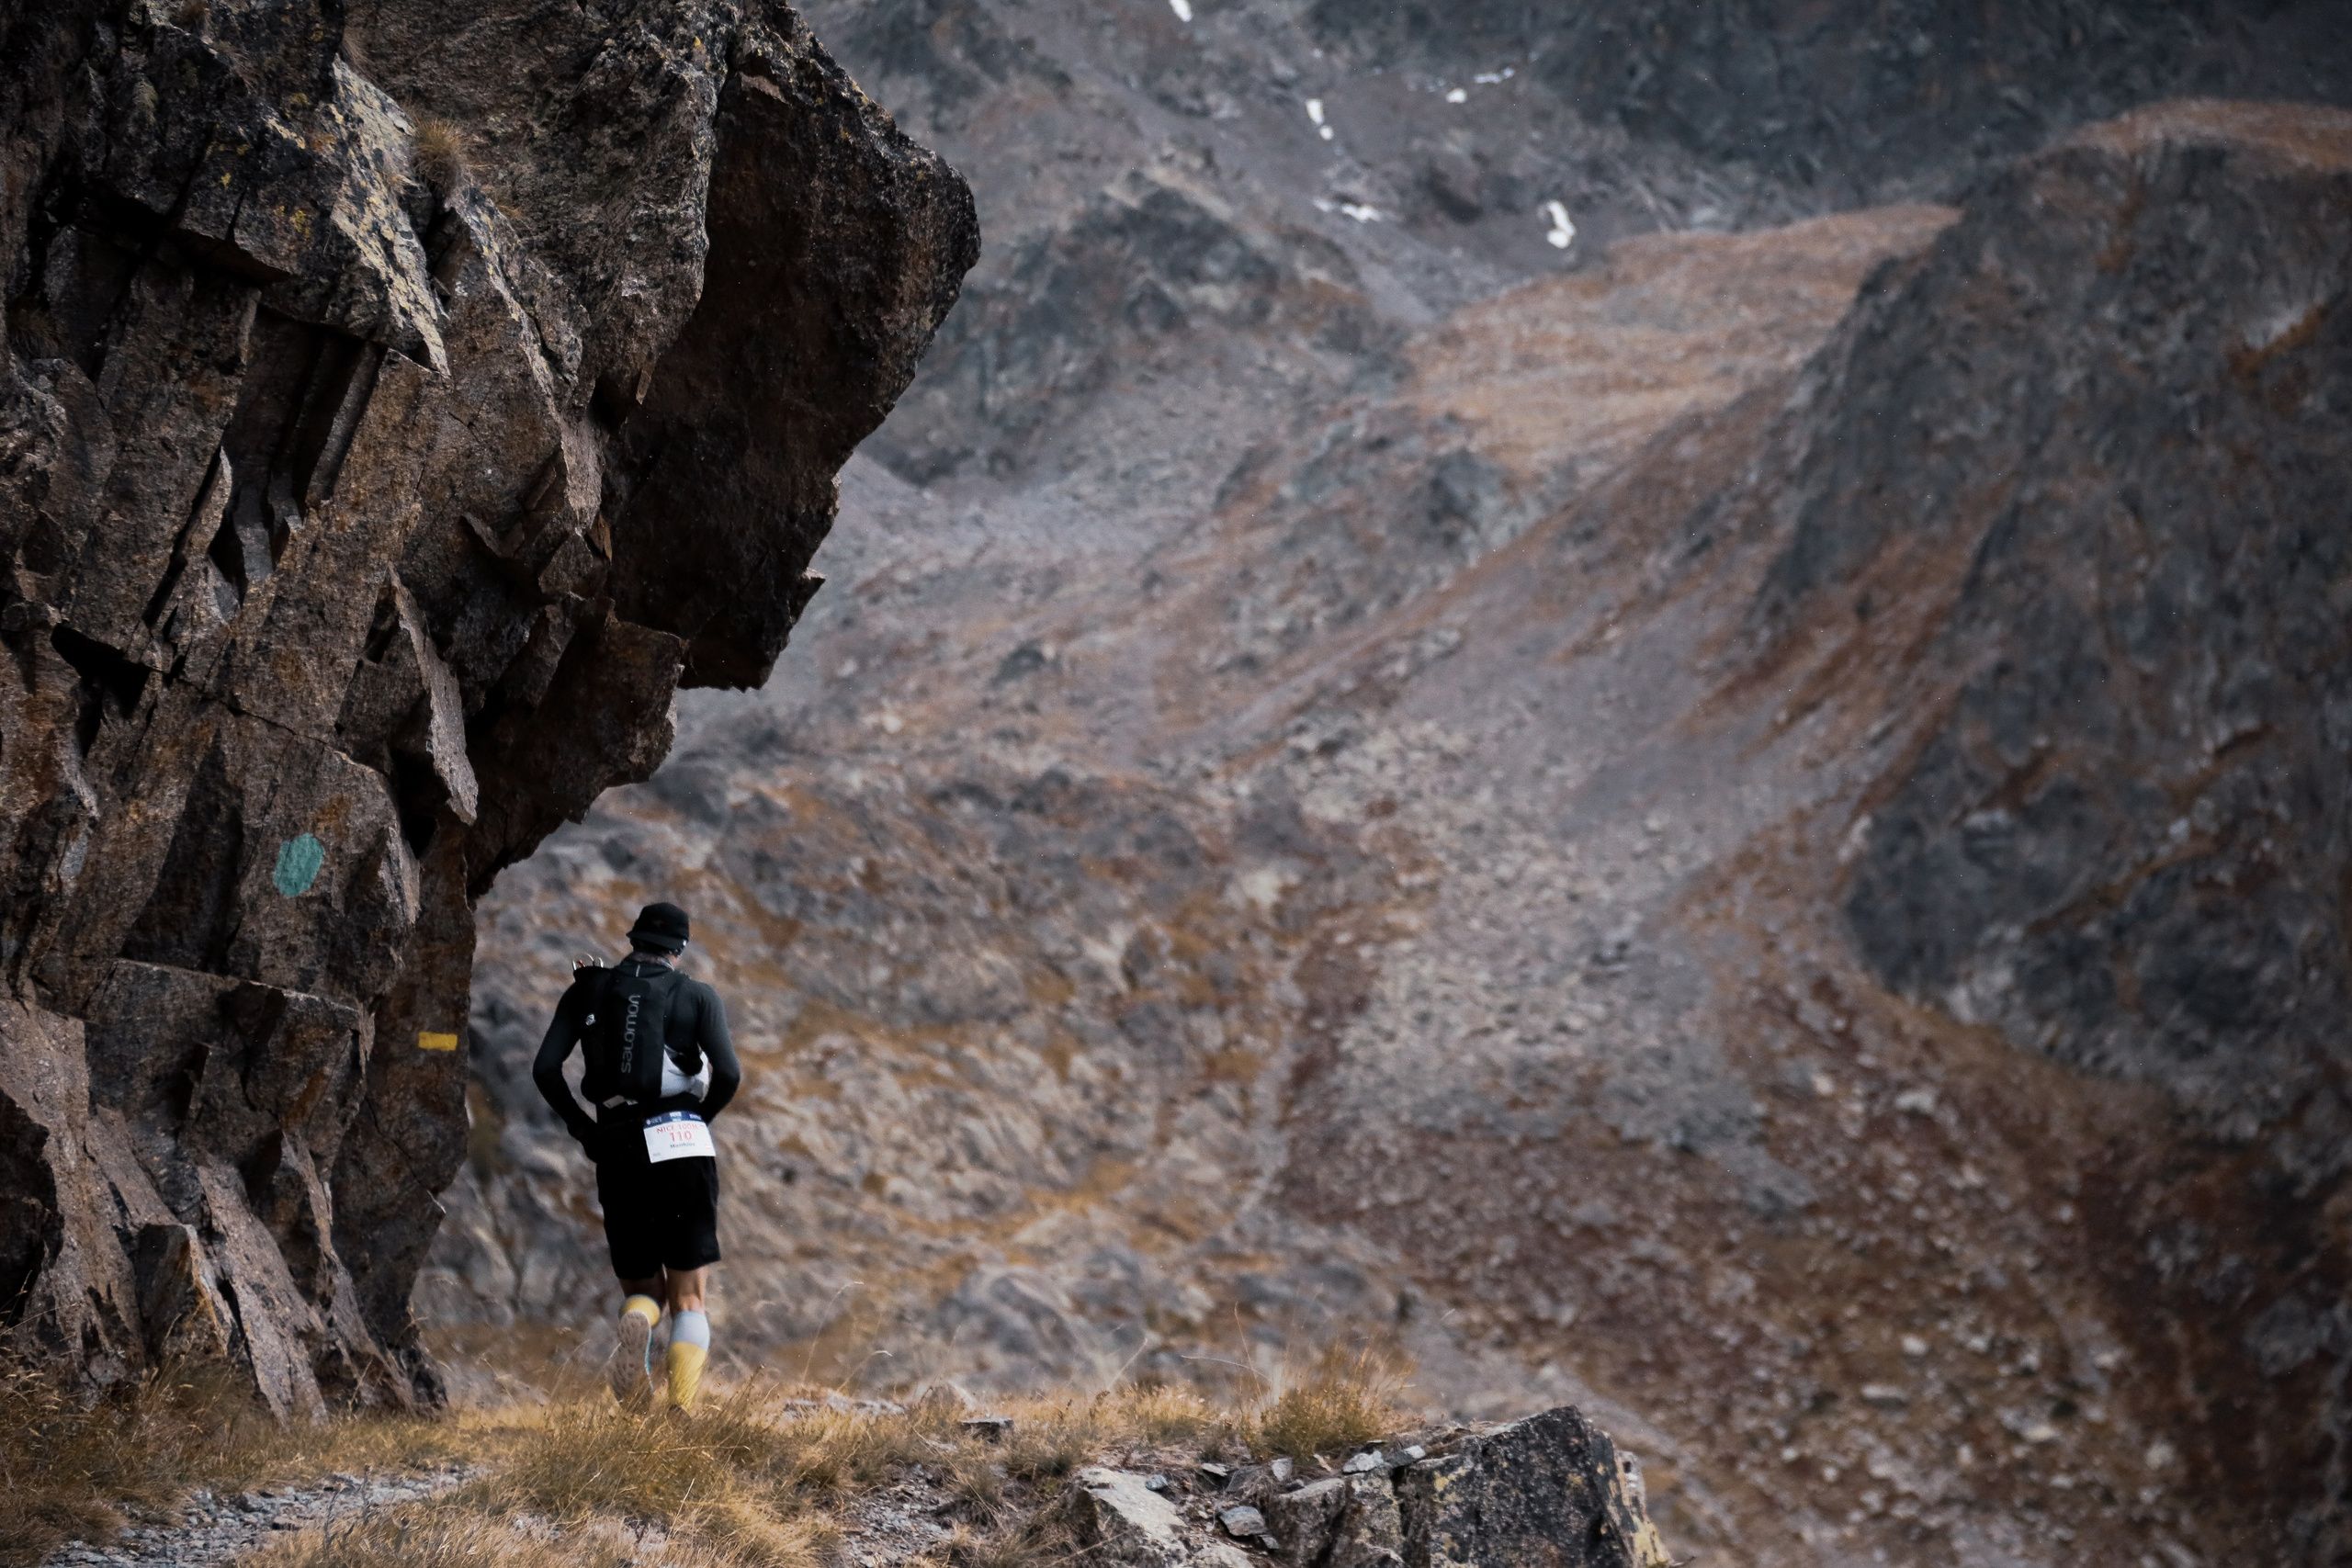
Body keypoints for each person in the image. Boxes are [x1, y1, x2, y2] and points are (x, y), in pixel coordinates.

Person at [532, 900, 741, 1411]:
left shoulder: (588, 989)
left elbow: (545, 1068)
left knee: (643, 1284)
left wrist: (585, 1130)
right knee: (690, 1295)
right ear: (679, 949)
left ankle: (642, 1319)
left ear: (633, 940)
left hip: (618, 1144)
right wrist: (697, 1120)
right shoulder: (698, 996)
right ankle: (681, 1407)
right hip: (682, 1146)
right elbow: (730, 1074)